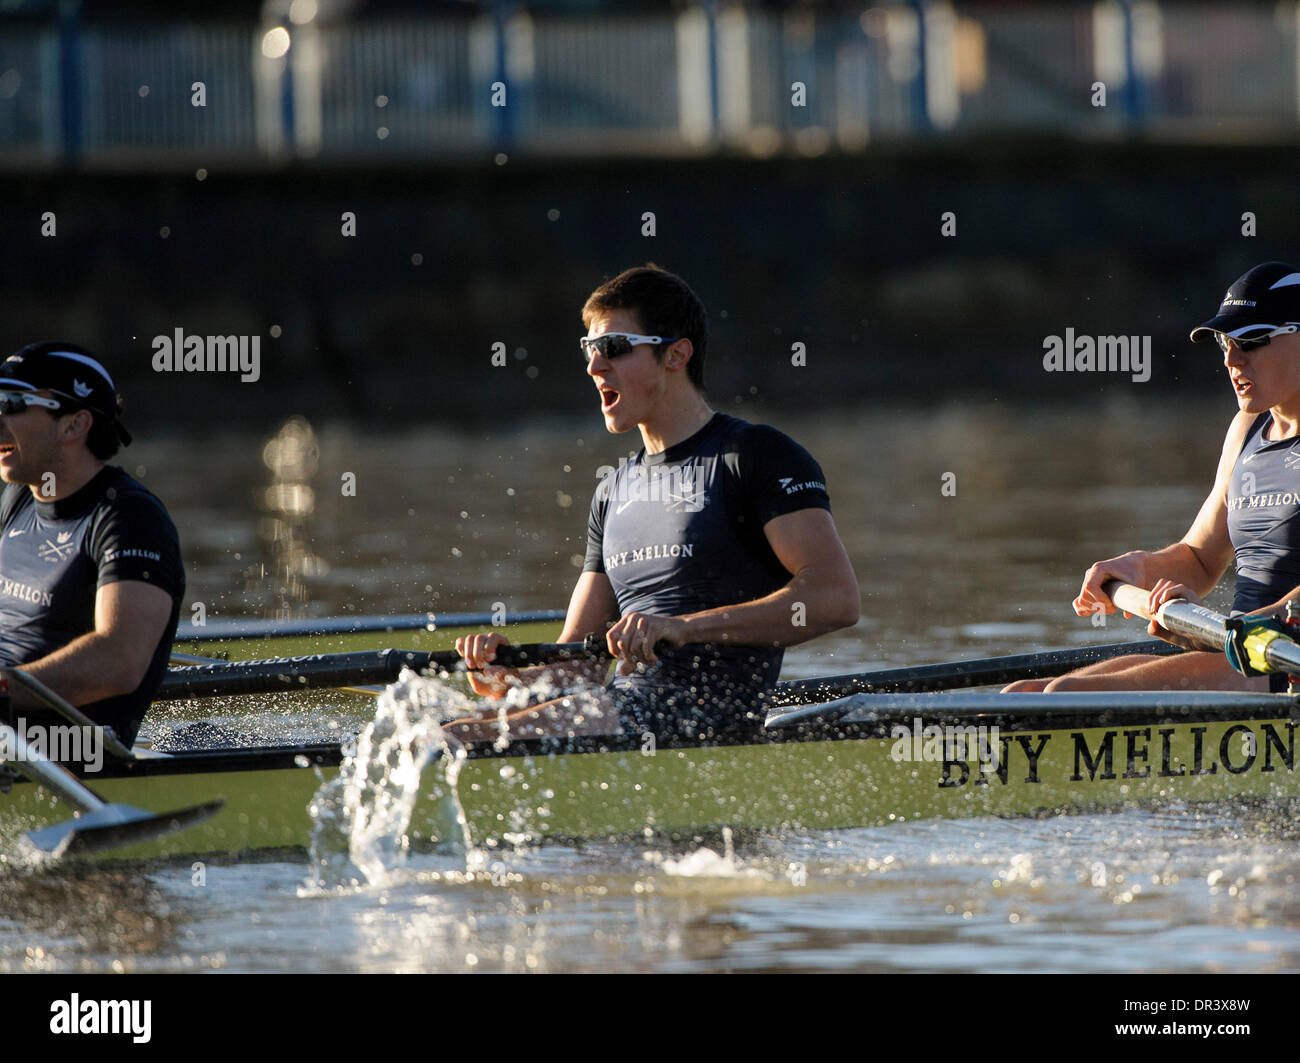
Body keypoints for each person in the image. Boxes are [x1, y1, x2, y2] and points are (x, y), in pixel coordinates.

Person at [449, 265, 859, 740]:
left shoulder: (755, 456)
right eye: (589, 349)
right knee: (425, 732)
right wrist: (507, 676)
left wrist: (683, 628)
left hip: (706, 723)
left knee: (450, 741)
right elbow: (578, 667)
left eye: (614, 348)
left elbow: (836, 598)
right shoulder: (612, 491)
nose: (595, 366)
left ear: (676, 354)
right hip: (624, 709)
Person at [1005, 261, 1300, 693]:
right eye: (1224, 342)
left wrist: (1229, 628)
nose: (1231, 360)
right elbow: (1200, 559)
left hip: (1282, 664)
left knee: (1064, 697)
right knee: (1022, 694)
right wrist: (1140, 566)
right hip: (1241, 652)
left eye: (1251, 340)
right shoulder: (1246, 429)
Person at [0, 341, 184, 754]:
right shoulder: (19, 499)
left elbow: (119, 662)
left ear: (73, 425)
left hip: (68, 752)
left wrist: (5, 689)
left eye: (11, 403)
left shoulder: (130, 519)